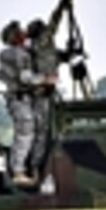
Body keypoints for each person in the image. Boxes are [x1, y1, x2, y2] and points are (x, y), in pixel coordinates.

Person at [0, 20, 53, 185]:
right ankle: (18, 171)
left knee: (37, 131)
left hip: (26, 98)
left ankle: (32, 168)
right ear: (13, 37)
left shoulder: (22, 52)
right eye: (18, 31)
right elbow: (25, 77)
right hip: (19, 98)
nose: (23, 32)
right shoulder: (15, 54)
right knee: (25, 132)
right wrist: (45, 79)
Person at [26, 18, 64, 174]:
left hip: (46, 94)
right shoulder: (39, 47)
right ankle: (36, 166)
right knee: (41, 132)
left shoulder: (40, 48)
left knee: (44, 131)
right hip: (41, 94)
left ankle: (38, 165)